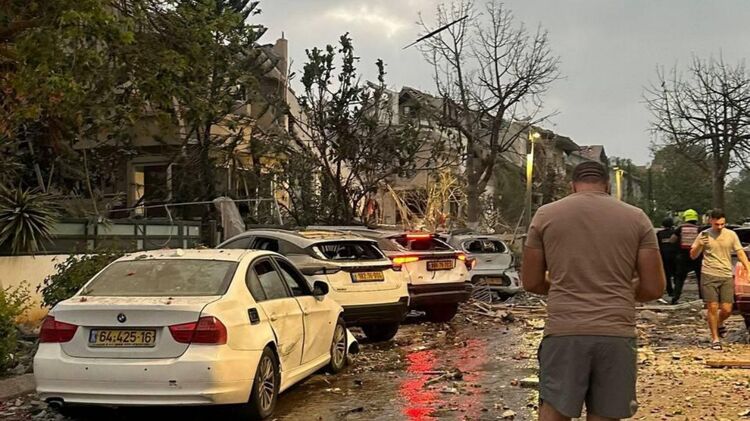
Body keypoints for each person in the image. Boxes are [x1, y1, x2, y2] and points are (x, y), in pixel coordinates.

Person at [522, 161, 665, 421]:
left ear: (572, 186)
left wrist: (565, 287)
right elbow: (654, 287)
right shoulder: (636, 218)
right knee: (605, 415)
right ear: (607, 186)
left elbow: (531, 281)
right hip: (616, 331)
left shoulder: (545, 215)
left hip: (564, 331)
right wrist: (620, 292)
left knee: (554, 410)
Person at [690, 209, 750, 349]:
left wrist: (748, 268)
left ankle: (719, 322)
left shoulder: (731, 235)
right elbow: (693, 255)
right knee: (712, 306)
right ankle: (715, 339)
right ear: (711, 221)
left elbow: (740, 253)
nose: (720, 227)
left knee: (727, 309)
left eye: (722, 224)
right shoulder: (704, 235)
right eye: (717, 224)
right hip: (709, 273)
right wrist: (700, 244)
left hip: (726, 274)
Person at [670, 209, 702, 304]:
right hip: (696, 257)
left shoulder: (680, 228)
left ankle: (675, 298)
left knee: (680, 278)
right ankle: (703, 298)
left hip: (682, 257)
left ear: (685, 218)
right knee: (700, 278)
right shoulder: (699, 229)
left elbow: (672, 240)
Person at [657, 217, 678, 296]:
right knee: (676, 273)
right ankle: (677, 289)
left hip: (664, 256)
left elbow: (657, 245)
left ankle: (670, 291)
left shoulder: (659, 234)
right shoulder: (675, 233)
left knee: (666, 274)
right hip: (674, 256)